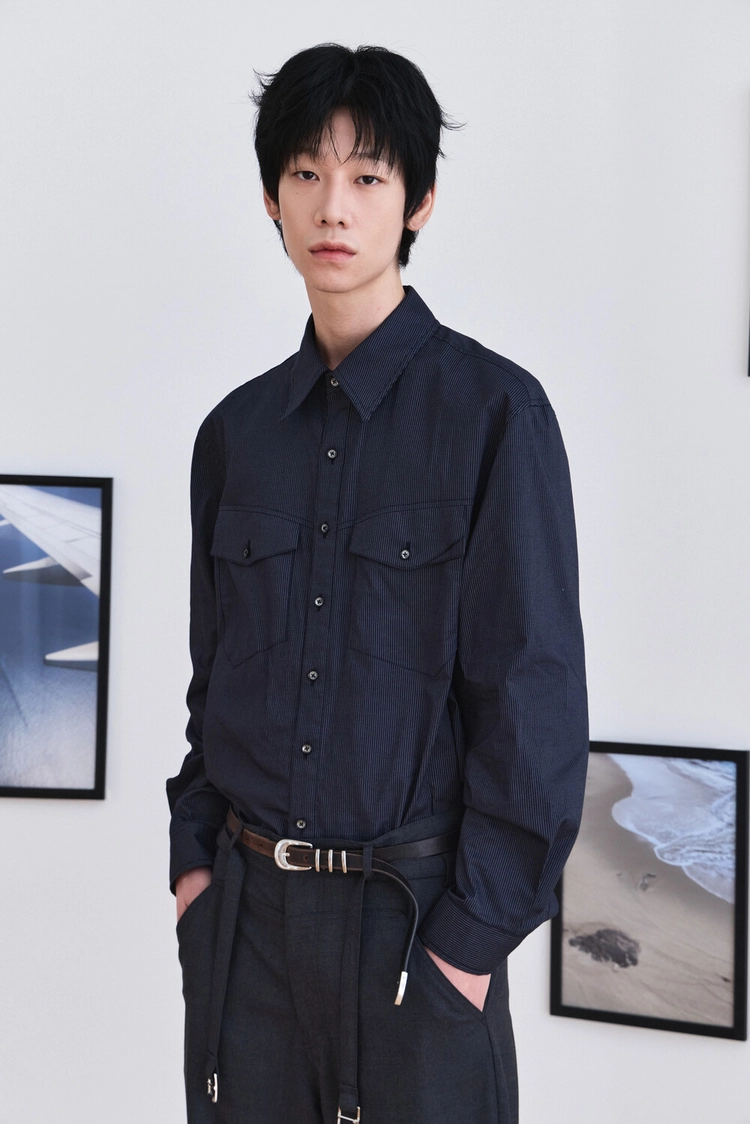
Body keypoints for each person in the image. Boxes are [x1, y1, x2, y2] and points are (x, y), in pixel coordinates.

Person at [167, 42, 589, 1124]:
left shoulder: (497, 416)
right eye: (306, 173)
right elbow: (213, 684)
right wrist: (194, 876)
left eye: (367, 176)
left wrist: (468, 945)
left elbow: (533, 704)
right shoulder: (234, 436)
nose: (333, 207)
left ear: (420, 202)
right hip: (245, 935)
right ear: (271, 197)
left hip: (416, 933)